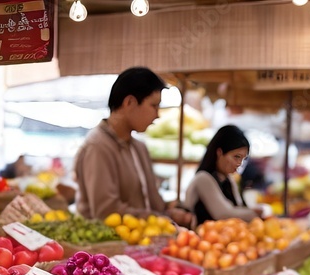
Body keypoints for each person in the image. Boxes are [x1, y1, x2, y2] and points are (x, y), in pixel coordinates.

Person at [74, 67, 192, 225]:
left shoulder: (139, 148)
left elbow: (152, 202)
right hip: (111, 247)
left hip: (144, 241)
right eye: (153, 106)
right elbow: (106, 212)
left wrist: (169, 212)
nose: (157, 115)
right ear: (129, 102)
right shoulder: (98, 147)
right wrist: (157, 219)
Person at [184, 125, 262, 226]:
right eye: (236, 157)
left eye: (243, 159)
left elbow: (237, 209)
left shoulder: (229, 180)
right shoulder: (203, 179)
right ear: (219, 153)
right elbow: (224, 214)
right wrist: (253, 214)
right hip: (202, 240)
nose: (239, 163)